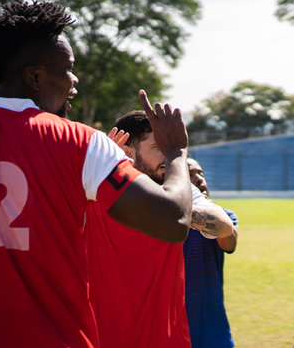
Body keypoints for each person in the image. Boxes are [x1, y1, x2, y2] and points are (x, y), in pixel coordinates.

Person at [0, 1, 195, 347]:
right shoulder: (82, 142)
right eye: (67, 68)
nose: (74, 79)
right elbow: (171, 221)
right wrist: (175, 151)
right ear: (34, 77)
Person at [87, 111, 234, 348]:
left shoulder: (178, 190)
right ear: (127, 151)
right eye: (158, 147)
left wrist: (170, 210)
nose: (168, 156)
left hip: (168, 337)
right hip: (105, 335)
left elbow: (223, 225)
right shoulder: (94, 181)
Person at [183, 157, 239, 347]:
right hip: (174, 322)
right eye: (189, 174)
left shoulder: (226, 216)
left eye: (200, 173)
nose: (198, 178)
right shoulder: (161, 219)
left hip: (212, 324)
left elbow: (229, 244)